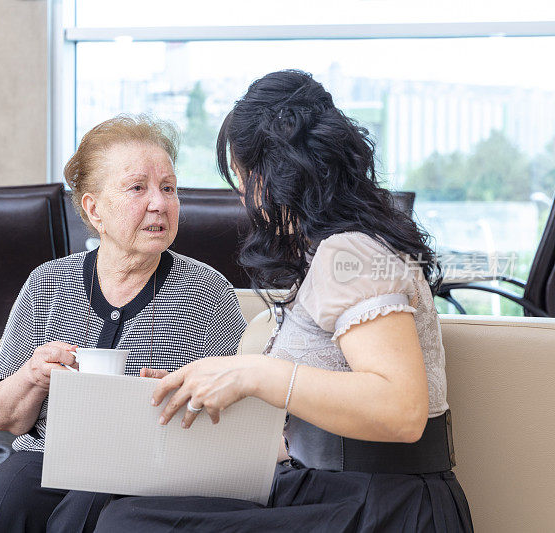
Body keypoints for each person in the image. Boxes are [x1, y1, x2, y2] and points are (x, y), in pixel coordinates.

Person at [94, 71, 473, 532]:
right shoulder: (336, 250)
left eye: (240, 177)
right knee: (127, 515)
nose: (244, 198)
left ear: (264, 177)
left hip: (384, 504)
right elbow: (315, 430)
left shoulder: (347, 252)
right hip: (347, 489)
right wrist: (207, 385)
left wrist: (254, 373)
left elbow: (403, 411)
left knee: (127, 523)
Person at [0, 115, 247, 533]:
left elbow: (224, 427)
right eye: (137, 188)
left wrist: (186, 395)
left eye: (168, 188)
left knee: (85, 513)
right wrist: (34, 377)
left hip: (146, 466)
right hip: (47, 455)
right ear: (93, 209)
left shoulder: (207, 292)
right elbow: (5, 420)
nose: (159, 203)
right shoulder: (48, 281)